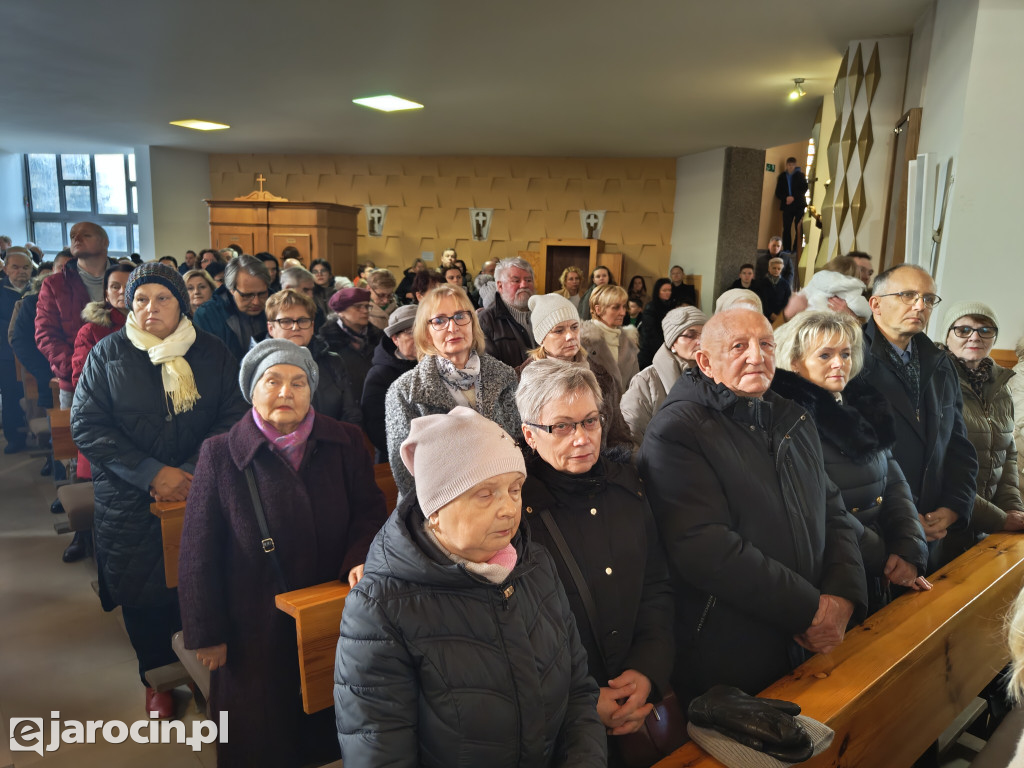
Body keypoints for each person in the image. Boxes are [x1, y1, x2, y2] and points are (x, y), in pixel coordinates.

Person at [335, 406, 607, 767]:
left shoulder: (535, 565)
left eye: (514, 489)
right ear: (435, 509)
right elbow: (380, 754)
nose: (508, 508)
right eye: (485, 494)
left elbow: (578, 694)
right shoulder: (379, 608)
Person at [637, 308, 867, 702]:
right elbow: (704, 547)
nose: (756, 357)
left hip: (810, 636)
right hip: (732, 650)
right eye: (739, 347)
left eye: (765, 344)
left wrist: (844, 595)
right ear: (705, 362)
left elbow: (833, 511)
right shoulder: (677, 431)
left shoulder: (793, 416)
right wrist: (810, 609)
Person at [178, 339, 386, 768]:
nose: (286, 392)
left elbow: (369, 513)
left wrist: (358, 557)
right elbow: (198, 551)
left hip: (331, 613)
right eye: (272, 381)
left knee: (329, 729)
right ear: (252, 390)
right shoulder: (219, 454)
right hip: (251, 627)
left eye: (298, 382)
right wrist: (207, 632)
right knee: (261, 739)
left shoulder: (345, 441)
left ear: (312, 391)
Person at [71, 263, 248, 718]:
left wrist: (189, 472)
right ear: (129, 304)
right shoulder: (107, 353)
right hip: (130, 498)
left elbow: (233, 415)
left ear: (181, 304)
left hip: (200, 490)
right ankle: (156, 679)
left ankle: (204, 669)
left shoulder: (211, 351)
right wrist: (151, 473)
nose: (152, 307)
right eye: (142, 299)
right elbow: (88, 425)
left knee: (201, 583)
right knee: (142, 591)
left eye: (163, 298)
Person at [517, 360, 673, 764]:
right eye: (562, 426)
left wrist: (647, 671)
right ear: (530, 435)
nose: (582, 438)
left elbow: (656, 586)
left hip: (638, 698)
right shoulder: (516, 516)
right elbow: (518, 635)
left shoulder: (630, 487)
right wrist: (580, 698)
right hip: (561, 724)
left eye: (590, 421)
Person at [771, 311, 930, 614]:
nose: (839, 363)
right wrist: (884, 558)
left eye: (845, 354)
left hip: (879, 565)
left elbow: (895, 484)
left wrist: (908, 546)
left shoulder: (862, 405)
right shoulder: (788, 419)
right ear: (794, 362)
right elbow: (824, 509)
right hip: (830, 571)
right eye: (825, 355)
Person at [860, 265, 978, 569]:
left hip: (934, 528)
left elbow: (958, 445)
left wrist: (953, 507)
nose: (919, 306)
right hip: (877, 533)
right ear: (876, 304)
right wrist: (905, 520)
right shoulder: (849, 360)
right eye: (907, 295)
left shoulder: (939, 363)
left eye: (928, 298)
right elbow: (851, 461)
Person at [385, 285, 519, 502]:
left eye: (460, 316)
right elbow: (406, 476)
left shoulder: (504, 375)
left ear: (472, 323)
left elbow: (519, 442)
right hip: (440, 507)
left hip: (503, 497)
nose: (452, 327)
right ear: (426, 333)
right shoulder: (404, 391)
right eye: (439, 321)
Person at [934, 301, 1024, 562]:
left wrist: (1012, 509)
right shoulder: (934, 382)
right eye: (963, 330)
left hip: (985, 530)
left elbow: (1008, 454)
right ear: (947, 336)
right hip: (944, 526)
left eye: (985, 330)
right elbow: (937, 468)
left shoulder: (1001, 384)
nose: (975, 337)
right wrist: (999, 518)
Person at [518, 294, 633, 450]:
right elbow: (521, 442)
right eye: (559, 331)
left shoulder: (603, 377)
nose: (570, 336)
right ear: (541, 339)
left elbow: (619, 437)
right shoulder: (523, 382)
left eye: (574, 327)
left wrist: (608, 463)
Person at [36, 221, 115, 407]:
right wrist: (74, 367)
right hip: (76, 380)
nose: (76, 238)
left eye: (86, 235)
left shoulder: (127, 278)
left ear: (105, 242)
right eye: (73, 236)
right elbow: (45, 334)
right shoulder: (55, 284)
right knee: (77, 426)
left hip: (125, 375)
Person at [265, 289, 361, 425]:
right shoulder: (259, 366)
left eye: (303, 320)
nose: (295, 327)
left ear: (312, 326)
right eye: (286, 321)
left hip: (332, 436)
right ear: (271, 328)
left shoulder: (333, 361)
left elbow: (351, 414)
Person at [622, 306, 707, 446]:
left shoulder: (716, 376)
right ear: (672, 343)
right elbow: (631, 435)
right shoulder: (646, 380)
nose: (699, 341)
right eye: (690, 335)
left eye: (704, 335)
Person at [362, 304, 418, 462]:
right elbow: (377, 428)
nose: (419, 338)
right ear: (395, 339)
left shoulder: (437, 365)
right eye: (410, 332)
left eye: (422, 331)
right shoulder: (379, 375)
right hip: (398, 458)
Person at [193, 254, 271, 360]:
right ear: (231, 289)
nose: (256, 302)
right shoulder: (207, 315)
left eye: (262, 294)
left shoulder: (277, 307)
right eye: (247, 295)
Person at [318, 287, 382, 401]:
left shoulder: (378, 337)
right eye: (358, 307)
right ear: (341, 312)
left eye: (367, 306)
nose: (365, 311)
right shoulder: (326, 342)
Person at [1, 247, 34, 452]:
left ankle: (40, 434)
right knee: (11, 396)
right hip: (6, 353)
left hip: (34, 351)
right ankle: (14, 437)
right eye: (15, 267)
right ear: (5, 269)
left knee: (35, 396)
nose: (21, 271)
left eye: (26, 267)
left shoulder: (38, 289)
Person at [478, 256, 536, 368]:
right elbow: (488, 370)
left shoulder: (544, 314)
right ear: (500, 286)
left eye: (528, 280)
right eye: (516, 281)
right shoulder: (485, 321)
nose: (524, 285)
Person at [581, 284, 639, 394]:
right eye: (616, 307)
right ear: (598, 309)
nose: (623, 313)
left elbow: (635, 386)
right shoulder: (582, 341)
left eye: (624, 307)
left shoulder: (629, 341)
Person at [637, 277, 675, 370]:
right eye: (664, 290)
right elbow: (649, 332)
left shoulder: (671, 305)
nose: (668, 293)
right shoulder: (651, 307)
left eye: (669, 290)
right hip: (651, 350)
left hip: (666, 346)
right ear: (658, 291)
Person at [775, 157, 808, 253]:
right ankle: (787, 249)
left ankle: (796, 249)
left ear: (795, 165)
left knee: (799, 227)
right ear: (786, 165)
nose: (791, 167)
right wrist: (786, 198)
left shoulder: (800, 175)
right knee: (786, 228)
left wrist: (793, 197)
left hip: (798, 205)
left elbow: (804, 188)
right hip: (787, 205)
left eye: (793, 165)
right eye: (789, 165)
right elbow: (778, 192)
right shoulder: (782, 176)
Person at [755, 257, 792, 323]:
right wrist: (770, 314)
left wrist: (780, 315)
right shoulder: (761, 284)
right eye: (774, 268)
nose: (776, 270)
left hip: (780, 316)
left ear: (781, 270)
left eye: (779, 269)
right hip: (764, 316)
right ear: (769, 268)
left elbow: (787, 301)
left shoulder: (785, 284)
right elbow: (761, 300)